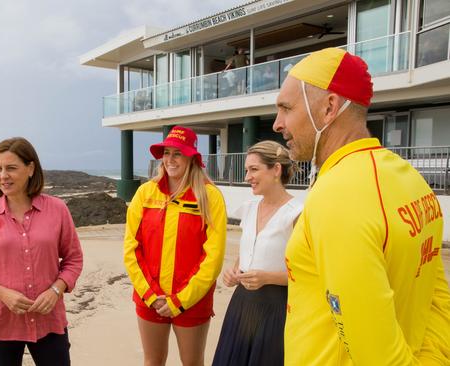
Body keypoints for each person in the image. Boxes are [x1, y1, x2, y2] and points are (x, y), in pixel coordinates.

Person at [273, 47, 450, 364]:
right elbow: (436, 297)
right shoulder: (409, 176)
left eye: (286, 108)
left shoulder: (338, 195)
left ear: (329, 107)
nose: (277, 123)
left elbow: (377, 358)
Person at [0, 137, 83, 366]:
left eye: (11, 168)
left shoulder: (57, 209)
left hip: (49, 320)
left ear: (31, 168)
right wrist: (2, 294)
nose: (3, 175)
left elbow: (73, 259)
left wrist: (56, 290)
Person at [123, 125, 227, 366]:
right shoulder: (144, 193)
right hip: (150, 298)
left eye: (177, 153)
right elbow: (131, 249)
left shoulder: (210, 197)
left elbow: (213, 257)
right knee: (153, 362)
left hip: (192, 301)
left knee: (192, 363)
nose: (170, 159)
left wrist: (180, 300)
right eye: (166, 153)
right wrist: (150, 295)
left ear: (191, 156)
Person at [212, 140, 302, 366]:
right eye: (246, 170)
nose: (247, 177)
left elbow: (308, 274)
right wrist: (233, 273)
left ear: (276, 170)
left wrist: (268, 278)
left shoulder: (298, 214)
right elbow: (246, 255)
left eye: (254, 169)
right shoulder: (249, 208)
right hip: (241, 305)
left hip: (277, 309)